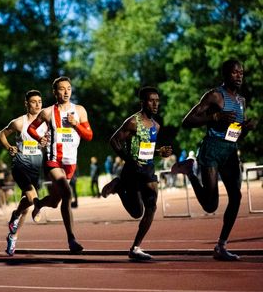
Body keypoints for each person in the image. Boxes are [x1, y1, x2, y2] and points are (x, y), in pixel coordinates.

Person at [171, 59, 256, 261]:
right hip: (211, 149)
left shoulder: (241, 102)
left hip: (230, 151)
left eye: (241, 72)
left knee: (236, 197)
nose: (239, 76)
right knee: (210, 206)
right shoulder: (214, 95)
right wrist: (215, 118)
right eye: (235, 72)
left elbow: (235, 135)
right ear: (225, 74)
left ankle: (221, 246)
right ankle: (190, 171)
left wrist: (246, 129)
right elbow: (187, 121)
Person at [101, 87, 172, 261]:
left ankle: (135, 248)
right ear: (143, 102)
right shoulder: (133, 122)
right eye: (151, 100)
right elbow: (114, 140)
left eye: (157, 100)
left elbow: (146, 148)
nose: (155, 104)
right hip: (133, 170)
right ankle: (118, 184)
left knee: (145, 209)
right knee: (143, 209)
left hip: (147, 168)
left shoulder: (156, 126)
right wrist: (128, 159)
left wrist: (158, 152)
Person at [28, 76, 93, 254]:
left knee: (56, 202)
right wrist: (40, 138)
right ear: (55, 92)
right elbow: (31, 128)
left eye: (69, 88)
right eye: (62, 89)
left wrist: (76, 125)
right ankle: (71, 239)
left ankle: (39, 203)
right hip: (53, 160)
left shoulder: (79, 110)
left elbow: (89, 136)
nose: (66, 92)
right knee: (67, 192)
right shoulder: (47, 112)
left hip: (70, 162)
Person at [0, 89, 47, 256]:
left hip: (36, 165)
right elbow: (1, 134)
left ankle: (13, 235)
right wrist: (9, 147)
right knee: (33, 198)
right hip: (20, 163)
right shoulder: (19, 123)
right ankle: (33, 209)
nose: (37, 105)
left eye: (39, 102)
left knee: (26, 206)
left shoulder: (46, 122)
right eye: (33, 102)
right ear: (26, 104)